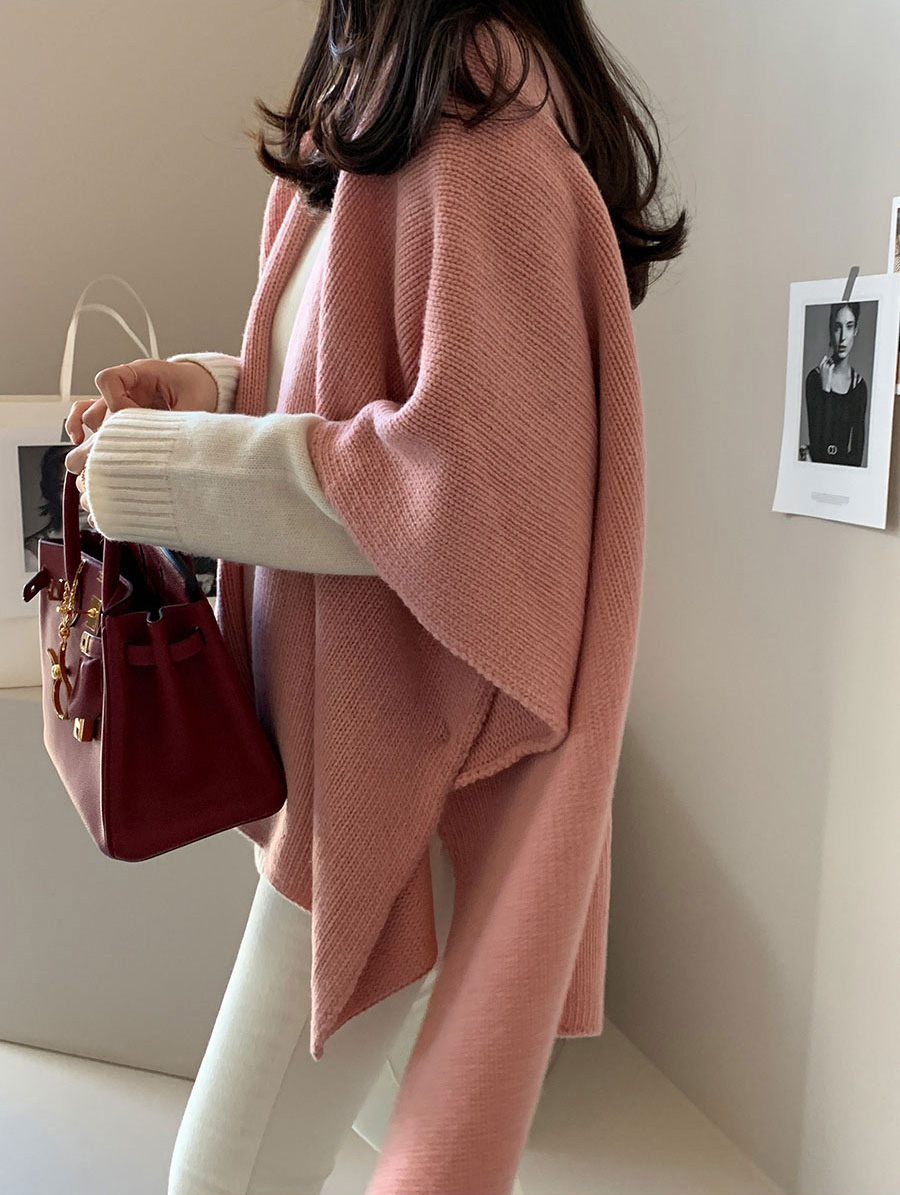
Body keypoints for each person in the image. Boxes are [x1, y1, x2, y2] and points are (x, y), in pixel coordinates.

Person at [63, 4, 688, 1192]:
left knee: (227, 1174)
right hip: (350, 746)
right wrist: (209, 390)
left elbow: (460, 496)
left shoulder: (481, 121)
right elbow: (359, 395)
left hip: (405, 771)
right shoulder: (384, 99)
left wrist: (157, 471)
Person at [802, 302, 869, 466]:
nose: (843, 337)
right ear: (831, 329)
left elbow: (857, 455)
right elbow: (818, 445)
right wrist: (825, 390)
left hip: (844, 476)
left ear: (856, 330)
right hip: (815, 472)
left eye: (849, 326)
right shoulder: (814, 379)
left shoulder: (859, 387)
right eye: (838, 327)